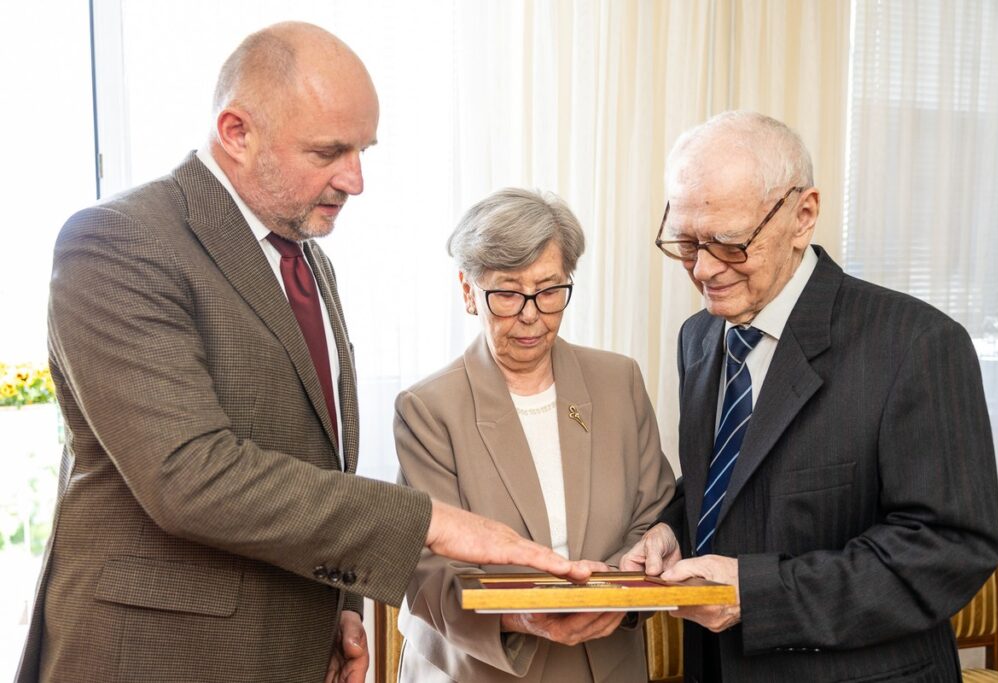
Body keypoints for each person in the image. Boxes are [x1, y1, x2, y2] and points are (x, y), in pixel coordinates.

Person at [17, 23, 591, 683]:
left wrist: (339, 602)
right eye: (329, 151)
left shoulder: (307, 259)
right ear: (235, 132)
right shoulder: (119, 241)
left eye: (363, 149)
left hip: (289, 642)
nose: (356, 178)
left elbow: (315, 455)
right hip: (157, 654)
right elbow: (190, 475)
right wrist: (435, 521)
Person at [621, 111, 998, 682]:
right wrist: (671, 529)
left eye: (727, 242)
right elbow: (733, 482)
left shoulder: (917, 343)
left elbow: (949, 549)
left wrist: (755, 595)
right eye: (684, 241)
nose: (702, 270)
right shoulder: (699, 336)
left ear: (803, 216)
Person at [393, 188, 676, 682]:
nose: (530, 314)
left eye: (549, 291)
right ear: (467, 291)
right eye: (506, 293)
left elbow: (654, 515)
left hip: (606, 659)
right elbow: (424, 563)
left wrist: (624, 591)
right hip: (482, 667)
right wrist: (517, 616)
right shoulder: (429, 408)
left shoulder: (618, 381)